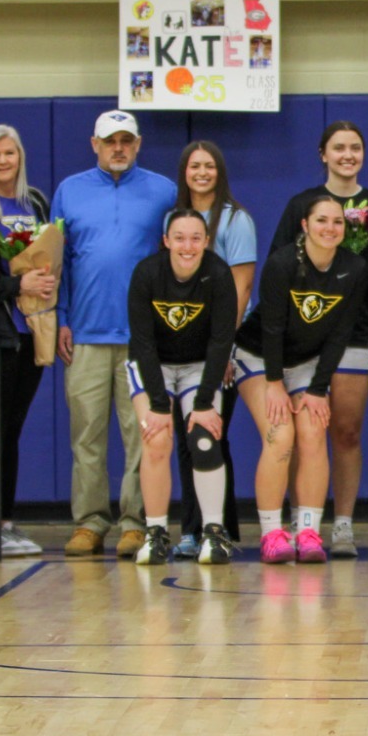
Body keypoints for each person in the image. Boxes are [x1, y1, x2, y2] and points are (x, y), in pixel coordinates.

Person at [51, 110, 178, 557]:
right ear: (94, 144)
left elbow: (177, 257)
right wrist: (60, 316)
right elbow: (56, 262)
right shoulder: (70, 190)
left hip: (143, 337)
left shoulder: (164, 190)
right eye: (110, 141)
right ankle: (89, 522)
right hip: (84, 334)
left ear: (138, 144)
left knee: (140, 433)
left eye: (126, 140)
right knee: (85, 436)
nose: (118, 148)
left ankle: (135, 522)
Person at [272, 121, 368, 557]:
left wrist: (354, 263)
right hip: (302, 339)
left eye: (356, 147)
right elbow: (279, 267)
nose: (348, 154)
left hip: (356, 332)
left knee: (344, 431)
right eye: (339, 147)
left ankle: (342, 525)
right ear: (322, 153)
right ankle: (299, 523)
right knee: (300, 433)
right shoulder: (301, 205)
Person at [233, 196, 365, 565]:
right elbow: (272, 327)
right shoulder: (282, 264)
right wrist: (274, 383)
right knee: (280, 434)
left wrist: (319, 389)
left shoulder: (353, 268)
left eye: (337, 222)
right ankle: (272, 534)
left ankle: (307, 531)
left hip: (307, 362)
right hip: (259, 356)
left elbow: (339, 334)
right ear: (305, 225)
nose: (330, 228)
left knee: (311, 428)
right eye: (321, 220)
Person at [126, 208, 239, 566]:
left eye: (195, 238)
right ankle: (156, 533)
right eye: (179, 238)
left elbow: (221, 341)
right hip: (153, 363)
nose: (187, 246)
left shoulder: (219, 274)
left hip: (199, 365)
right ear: (166, 242)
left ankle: (214, 532)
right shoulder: (146, 273)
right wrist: (160, 406)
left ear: (206, 241)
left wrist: (204, 402)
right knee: (157, 439)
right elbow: (142, 343)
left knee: (205, 437)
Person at [0, 125, 55, 557]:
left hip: (30, 332)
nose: (3, 161)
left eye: (10, 153)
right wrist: (17, 284)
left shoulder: (35, 201)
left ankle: (5, 521)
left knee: (13, 430)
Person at [172, 140, 257, 557]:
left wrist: (223, 351)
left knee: (209, 437)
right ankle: (190, 529)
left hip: (221, 348)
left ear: (220, 171)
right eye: (194, 166)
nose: (202, 173)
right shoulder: (174, 218)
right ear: (184, 172)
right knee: (183, 438)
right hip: (181, 347)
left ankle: (215, 528)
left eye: (209, 165)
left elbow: (242, 287)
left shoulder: (235, 220)